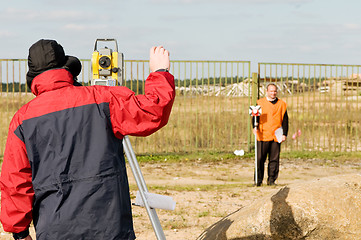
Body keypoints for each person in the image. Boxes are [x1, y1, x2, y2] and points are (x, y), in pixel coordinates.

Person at [0, 39, 175, 240]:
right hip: (110, 227)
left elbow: (15, 182)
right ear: (66, 66)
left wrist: (19, 232)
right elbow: (152, 111)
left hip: (54, 230)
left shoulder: (22, 120)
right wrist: (160, 72)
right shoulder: (103, 99)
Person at [253, 83, 288, 186]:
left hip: (276, 135)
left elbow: (285, 120)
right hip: (262, 135)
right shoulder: (259, 103)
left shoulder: (282, 104)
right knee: (260, 159)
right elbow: (255, 117)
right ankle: (258, 180)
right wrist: (255, 127)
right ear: (267, 92)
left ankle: (271, 180)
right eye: (271, 91)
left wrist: (284, 133)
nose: (273, 93)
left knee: (274, 159)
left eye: (275, 91)